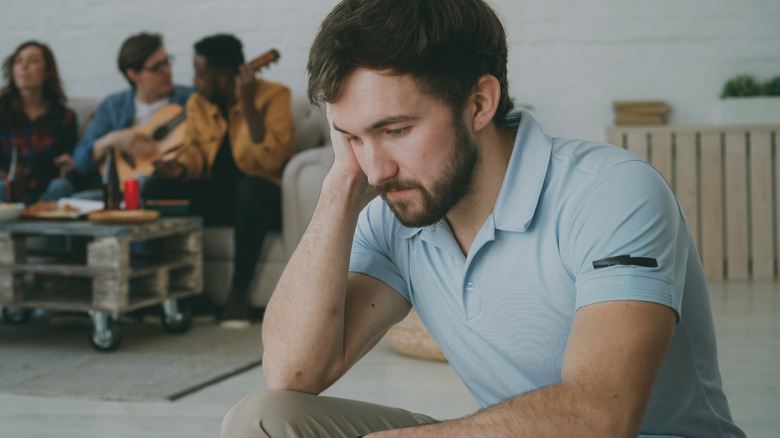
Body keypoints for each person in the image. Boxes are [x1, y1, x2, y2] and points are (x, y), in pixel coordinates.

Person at [221, 0, 746, 437]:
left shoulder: (610, 190)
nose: (376, 168)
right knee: (264, 420)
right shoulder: (397, 211)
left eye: (396, 130)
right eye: (354, 136)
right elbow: (292, 371)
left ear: (478, 102)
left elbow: (598, 417)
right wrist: (340, 182)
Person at [142, 34, 295, 327]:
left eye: (201, 75)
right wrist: (180, 169)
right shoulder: (198, 104)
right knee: (156, 187)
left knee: (250, 188)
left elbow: (273, 160)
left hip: (261, 198)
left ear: (223, 79)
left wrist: (247, 104)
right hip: (222, 197)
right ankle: (181, 292)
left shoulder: (275, 96)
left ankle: (237, 295)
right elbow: (193, 153)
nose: (195, 81)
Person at [72, 32, 193, 194]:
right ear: (133, 74)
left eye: (167, 62)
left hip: (166, 188)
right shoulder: (113, 106)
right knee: (70, 197)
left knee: (146, 184)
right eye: (157, 67)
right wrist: (113, 140)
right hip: (117, 190)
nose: (167, 71)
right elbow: (80, 161)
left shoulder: (191, 101)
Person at [0, 41, 77, 204]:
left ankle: (34, 224)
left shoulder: (64, 117)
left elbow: (70, 161)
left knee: (62, 186)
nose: (24, 66)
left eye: (33, 61)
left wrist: (65, 163)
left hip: (46, 194)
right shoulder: (2, 111)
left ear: (48, 71)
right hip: (7, 192)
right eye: (18, 61)